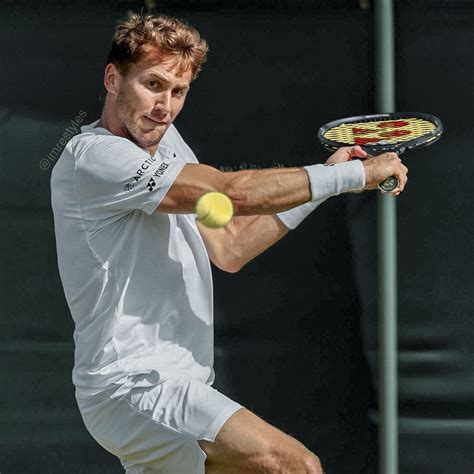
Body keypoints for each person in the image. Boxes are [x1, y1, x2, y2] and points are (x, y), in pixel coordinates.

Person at [50, 12, 408, 474]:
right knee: (296, 466)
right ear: (113, 79)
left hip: (173, 382)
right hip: (135, 384)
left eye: (178, 92)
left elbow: (231, 247)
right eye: (153, 85)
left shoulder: (168, 141)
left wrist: (329, 180)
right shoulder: (94, 157)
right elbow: (232, 193)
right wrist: (353, 174)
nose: (165, 106)